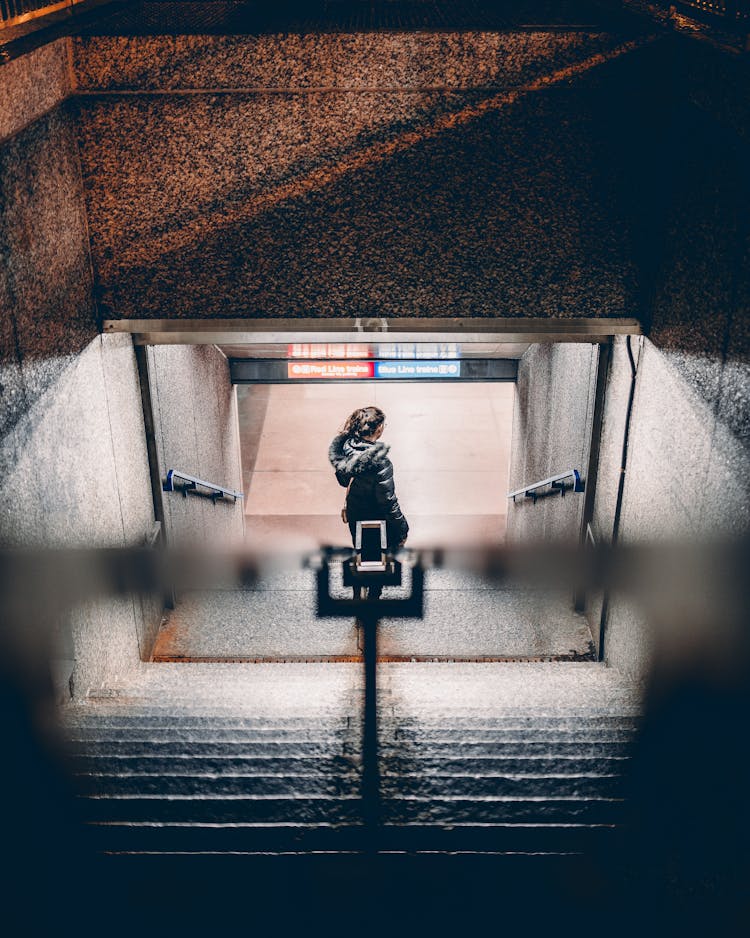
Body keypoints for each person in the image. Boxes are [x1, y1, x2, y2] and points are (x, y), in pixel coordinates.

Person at [328, 407, 408, 598]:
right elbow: (387, 500)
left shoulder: (346, 449)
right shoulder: (381, 462)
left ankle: (357, 590)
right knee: (379, 556)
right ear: (378, 428)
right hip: (377, 517)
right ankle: (373, 596)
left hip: (356, 511)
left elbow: (343, 480)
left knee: (360, 549)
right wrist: (403, 528)